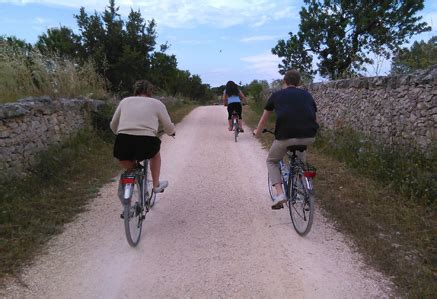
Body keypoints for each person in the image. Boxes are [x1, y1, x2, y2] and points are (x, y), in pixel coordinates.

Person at [253, 70, 319, 208]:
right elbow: (314, 117)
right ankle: (305, 191)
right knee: (300, 162)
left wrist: (257, 132)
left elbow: (264, 118)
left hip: (286, 136)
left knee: (272, 161)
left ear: (284, 81)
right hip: (309, 136)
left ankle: (280, 193)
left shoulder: (277, 95)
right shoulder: (307, 95)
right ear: (299, 83)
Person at [110, 79, 175, 193]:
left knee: (124, 158)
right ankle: (155, 185)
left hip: (123, 139)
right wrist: (171, 132)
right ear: (150, 91)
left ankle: (135, 171)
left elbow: (113, 124)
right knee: (155, 155)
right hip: (147, 141)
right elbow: (168, 126)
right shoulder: (157, 103)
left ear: (136, 90)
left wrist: (120, 133)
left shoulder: (125, 101)